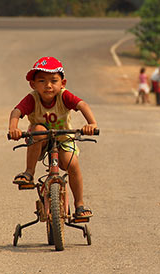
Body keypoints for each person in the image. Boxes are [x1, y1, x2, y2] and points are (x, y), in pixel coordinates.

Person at [8, 56, 97, 218]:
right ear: (33, 85)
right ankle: (29, 172)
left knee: (72, 163)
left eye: (53, 81)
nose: (48, 85)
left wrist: (92, 124)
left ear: (62, 83)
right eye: (42, 81)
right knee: (39, 129)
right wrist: (13, 128)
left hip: (63, 139)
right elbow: (16, 111)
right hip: (40, 140)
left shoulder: (64, 96)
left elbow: (82, 105)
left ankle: (79, 205)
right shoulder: (32, 99)